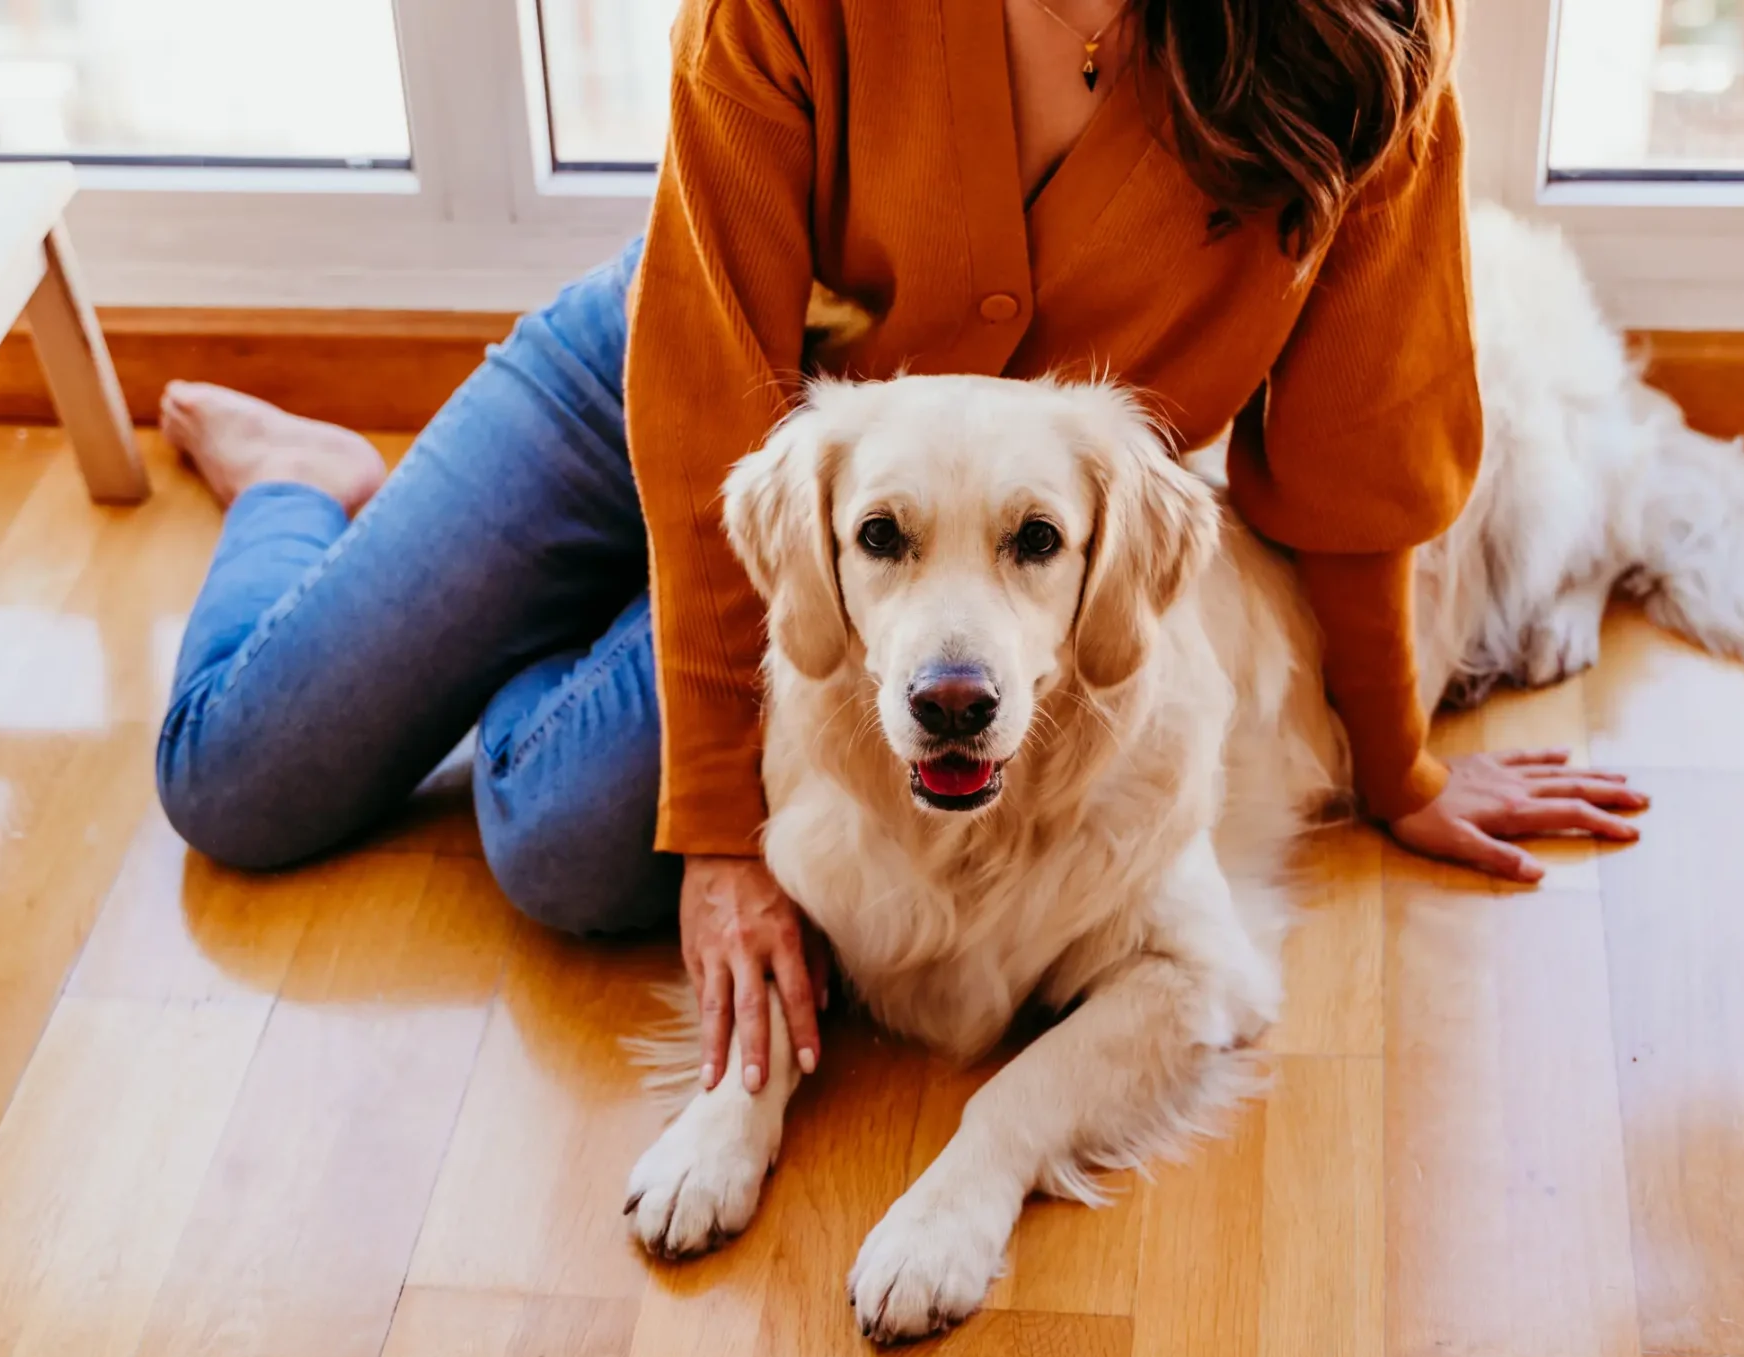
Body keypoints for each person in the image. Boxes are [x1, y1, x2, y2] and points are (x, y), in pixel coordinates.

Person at [153, 0, 1645, 1095]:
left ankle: (568, 599)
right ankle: (307, 484)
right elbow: (704, 400)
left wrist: (1399, 765)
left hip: (906, 565)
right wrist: (721, 838)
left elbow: (1357, 457)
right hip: (687, 379)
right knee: (235, 775)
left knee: (556, 837)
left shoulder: (1361, 34)